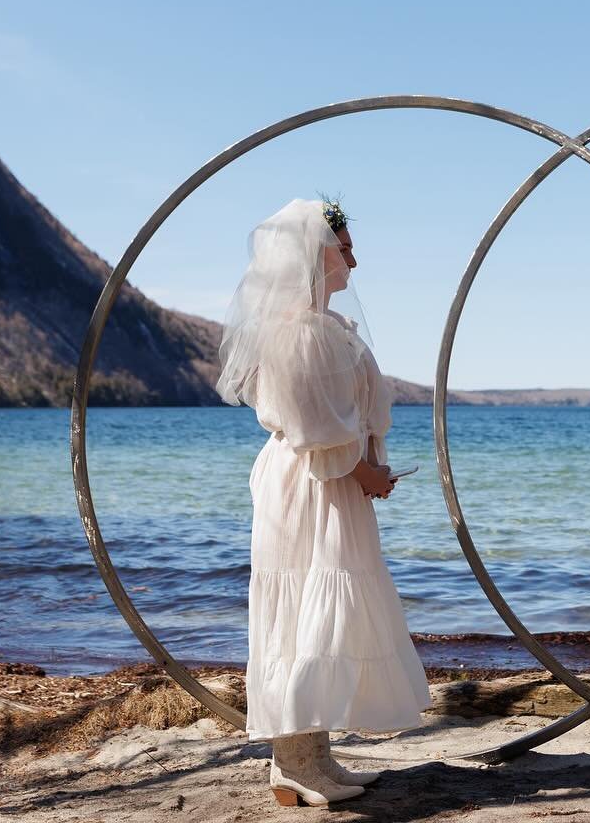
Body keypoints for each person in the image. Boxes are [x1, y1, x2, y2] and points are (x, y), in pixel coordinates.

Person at [217, 198, 430, 807]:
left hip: (334, 482)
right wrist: (366, 473)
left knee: (323, 613)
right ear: (313, 256)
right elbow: (314, 433)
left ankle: (316, 755)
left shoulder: (325, 326)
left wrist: (367, 466)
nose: (353, 261)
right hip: (310, 486)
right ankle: (292, 764)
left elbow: (345, 418)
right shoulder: (298, 333)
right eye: (343, 248)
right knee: (301, 612)